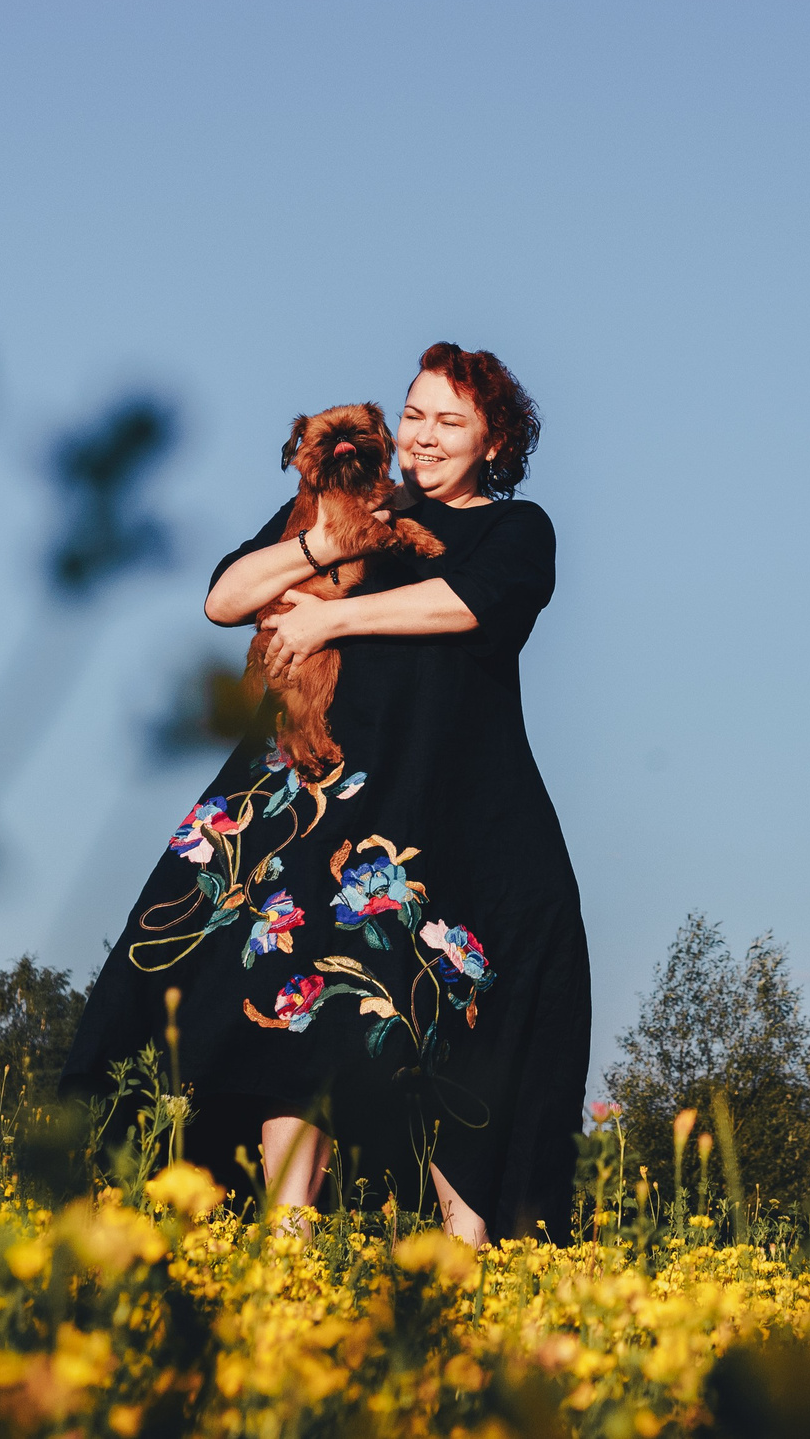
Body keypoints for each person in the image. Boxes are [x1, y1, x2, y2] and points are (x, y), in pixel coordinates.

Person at [61, 342, 590, 1244]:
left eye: (449, 422)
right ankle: (286, 1236)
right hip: (311, 787)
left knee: (459, 1016)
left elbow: (465, 605)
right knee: (283, 996)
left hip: (446, 802)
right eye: (414, 414)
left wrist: (334, 614)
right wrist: (320, 542)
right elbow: (225, 599)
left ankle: (475, 1256)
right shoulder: (341, 505)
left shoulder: (516, 529)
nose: (423, 437)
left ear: (493, 444)